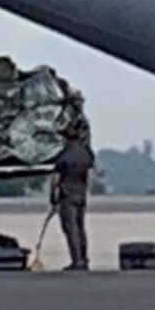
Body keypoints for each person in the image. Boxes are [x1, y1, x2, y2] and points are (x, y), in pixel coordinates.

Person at [49, 116, 95, 271]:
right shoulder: (86, 153)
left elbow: (55, 179)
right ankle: (84, 258)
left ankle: (77, 261)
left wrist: (53, 198)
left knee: (71, 229)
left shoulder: (63, 155)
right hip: (81, 194)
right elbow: (89, 176)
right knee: (81, 227)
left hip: (67, 195)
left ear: (66, 138)